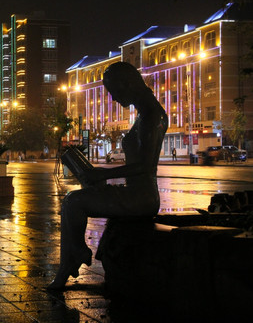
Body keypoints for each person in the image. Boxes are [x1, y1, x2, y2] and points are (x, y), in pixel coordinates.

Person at [48, 62, 168, 290]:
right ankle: (71, 260)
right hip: (135, 193)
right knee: (73, 200)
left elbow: (145, 165)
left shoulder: (152, 116)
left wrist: (105, 173)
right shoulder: (146, 114)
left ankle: (73, 259)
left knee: (73, 202)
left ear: (127, 83)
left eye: (113, 91)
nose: (113, 98)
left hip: (141, 198)